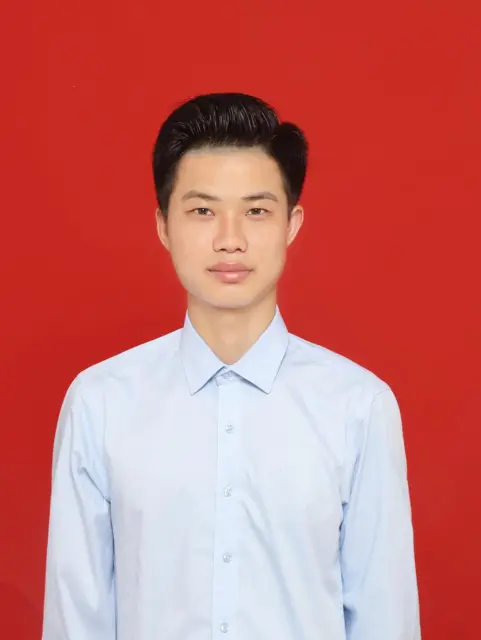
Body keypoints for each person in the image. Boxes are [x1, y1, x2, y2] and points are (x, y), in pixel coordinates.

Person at [42, 92, 421, 639]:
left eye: (256, 211)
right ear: (163, 225)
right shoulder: (100, 402)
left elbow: (385, 619)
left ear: (291, 224)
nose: (230, 240)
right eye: (202, 211)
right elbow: (76, 618)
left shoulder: (358, 407)